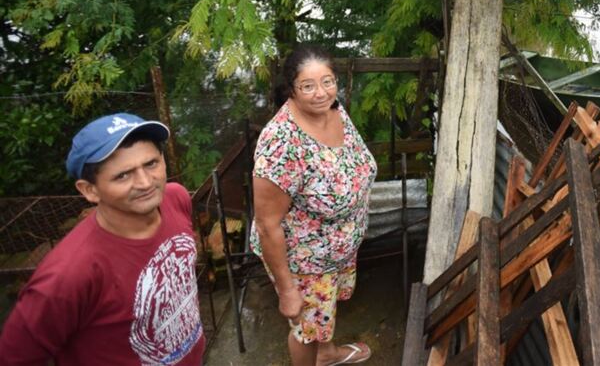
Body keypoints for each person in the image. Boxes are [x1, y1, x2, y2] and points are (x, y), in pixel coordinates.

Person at [0, 113, 205, 365]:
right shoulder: (66, 277)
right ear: (90, 190)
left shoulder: (176, 198)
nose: (145, 182)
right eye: (123, 175)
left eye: (151, 163)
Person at [252, 45, 377, 366]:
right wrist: (287, 290)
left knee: (323, 313)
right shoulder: (282, 143)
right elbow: (268, 224)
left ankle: (328, 354)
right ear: (290, 89)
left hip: (336, 250)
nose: (321, 93)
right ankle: (314, 357)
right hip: (303, 263)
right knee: (306, 329)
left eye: (328, 81)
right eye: (308, 86)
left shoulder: (336, 110)